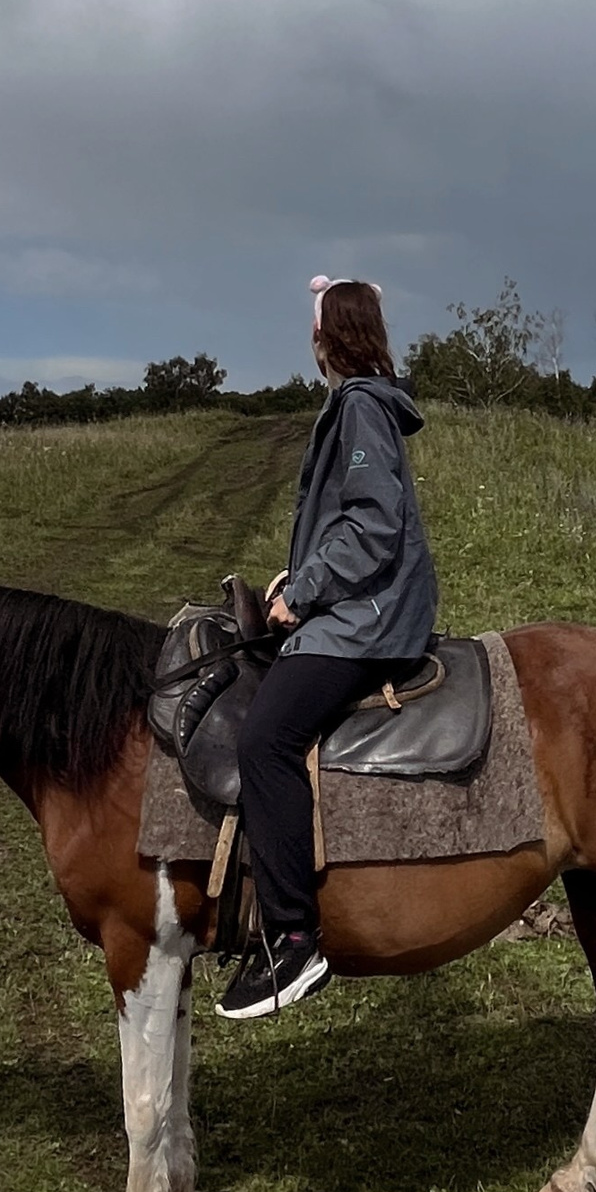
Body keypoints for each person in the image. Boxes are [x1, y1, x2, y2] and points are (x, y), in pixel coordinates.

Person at [213, 274, 438, 1020]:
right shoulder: (363, 403)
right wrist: (298, 576)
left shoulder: (361, 407)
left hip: (372, 618)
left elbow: (374, 524)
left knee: (267, 740)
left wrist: (304, 594)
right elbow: (348, 523)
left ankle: (293, 940)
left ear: (322, 340)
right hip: (364, 604)